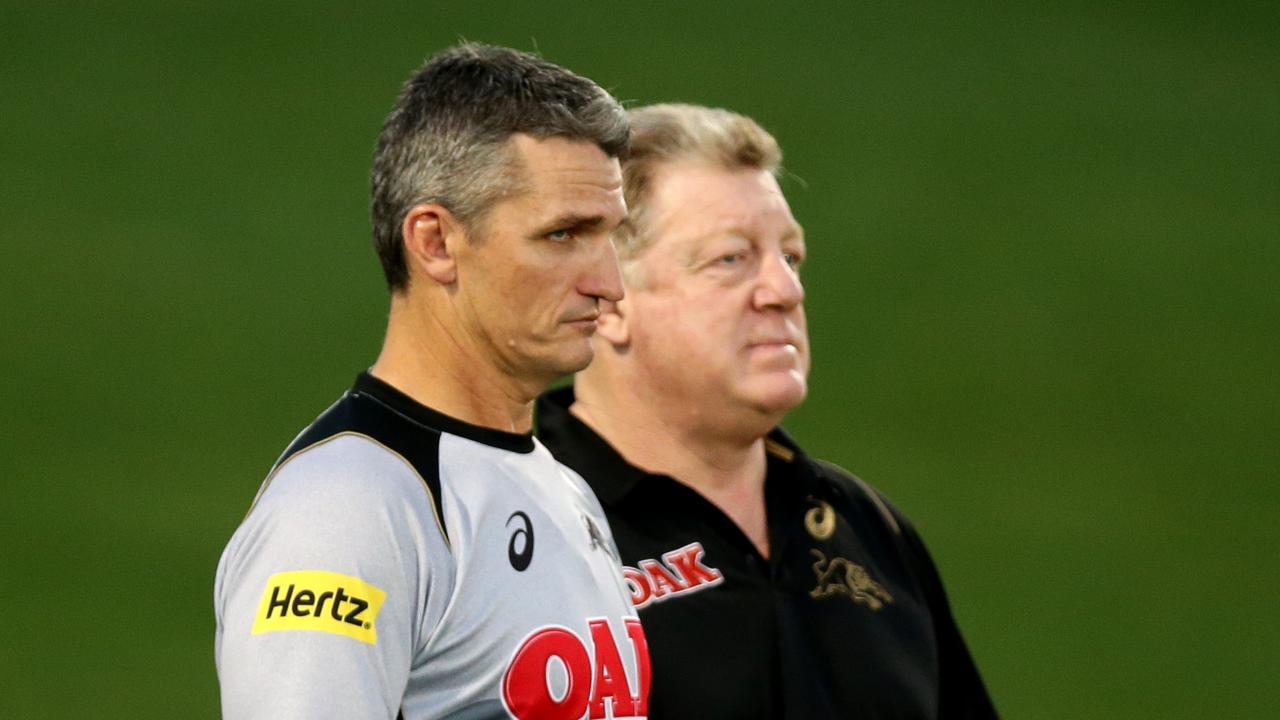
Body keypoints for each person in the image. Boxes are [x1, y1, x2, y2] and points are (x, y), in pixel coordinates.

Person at [215, 44, 651, 720]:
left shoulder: (566, 492)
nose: (609, 285)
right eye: (564, 234)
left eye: (609, 237)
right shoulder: (347, 513)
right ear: (436, 243)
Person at [536, 103, 997, 718]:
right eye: (732, 259)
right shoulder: (515, 534)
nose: (784, 290)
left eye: (790, 256)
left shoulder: (867, 528)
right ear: (611, 299)